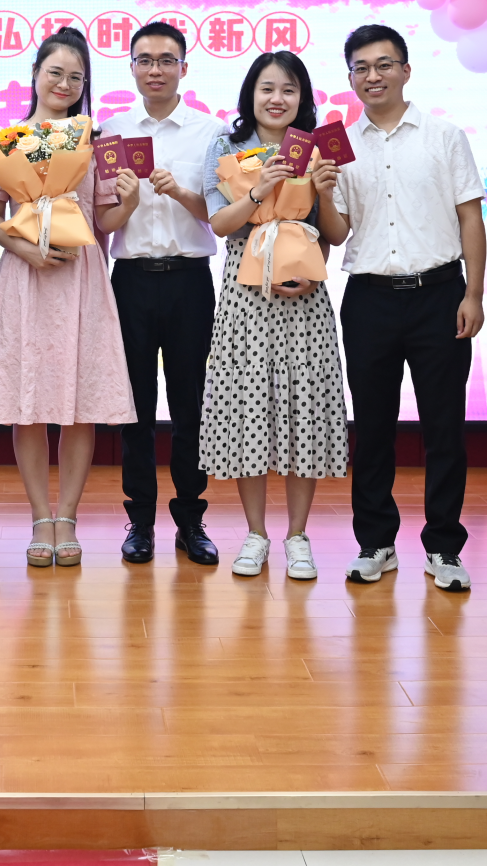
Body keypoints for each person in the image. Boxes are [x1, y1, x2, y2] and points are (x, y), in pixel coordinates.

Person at [319, 24, 486, 592]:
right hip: (369, 298)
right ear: (350, 78)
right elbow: (338, 233)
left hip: (440, 295)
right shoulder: (339, 145)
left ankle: (444, 546)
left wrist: (473, 293)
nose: (373, 76)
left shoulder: (444, 136)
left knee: (445, 428)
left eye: (384, 65)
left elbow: (470, 217)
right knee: (372, 428)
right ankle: (376, 543)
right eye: (361, 68)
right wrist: (322, 190)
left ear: (406, 70)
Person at [0, 28, 137, 566]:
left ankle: (67, 516)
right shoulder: (8, 139)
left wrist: (131, 202)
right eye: (55, 73)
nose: (65, 84)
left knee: (78, 407)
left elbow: (105, 221)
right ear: (35, 75)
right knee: (27, 408)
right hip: (25, 276)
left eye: (76, 77)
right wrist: (25, 250)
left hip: (80, 277)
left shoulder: (98, 140)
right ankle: (39, 517)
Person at [198, 52, 349, 580]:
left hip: (306, 300)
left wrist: (324, 193)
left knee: (303, 410)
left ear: (302, 97)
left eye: (288, 89)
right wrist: (259, 189)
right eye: (267, 88)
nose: (277, 99)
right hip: (245, 297)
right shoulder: (226, 146)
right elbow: (220, 223)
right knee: (250, 411)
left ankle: (298, 537)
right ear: (251, 94)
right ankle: (256, 535)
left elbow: (335, 234)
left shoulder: (318, 147)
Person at [100, 22, 224, 567]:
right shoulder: (111, 130)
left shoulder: (211, 133)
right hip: (130, 280)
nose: (155, 69)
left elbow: (222, 216)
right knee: (136, 407)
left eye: (166, 60)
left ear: (183, 68)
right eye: (145, 60)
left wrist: (182, 192)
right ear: (131, 67)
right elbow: (102, 216)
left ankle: (191, 518)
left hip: (189, 280)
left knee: (191, 403)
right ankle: (141, 520)